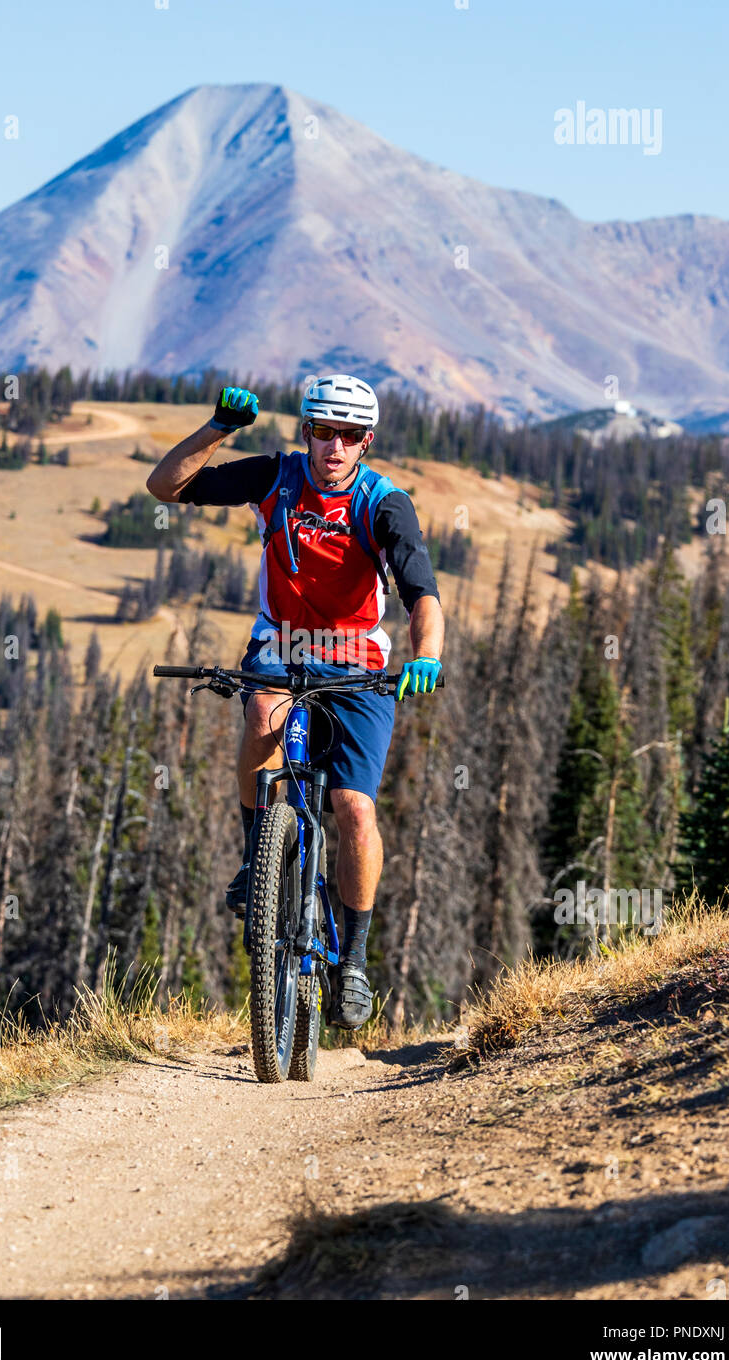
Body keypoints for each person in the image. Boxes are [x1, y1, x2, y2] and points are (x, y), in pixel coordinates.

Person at [147, 375, 444, 1029]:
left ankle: (355, 961)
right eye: (321, 431)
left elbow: (420, 589)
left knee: (353, 809)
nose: (332, 447)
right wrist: (218, 427)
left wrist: (424, 655)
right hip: (280, 645)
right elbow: (164, 488)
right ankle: (260, 853)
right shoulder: (275, 478)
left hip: (358, 660)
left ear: (366, 441)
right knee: (262, 713)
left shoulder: (382, 502)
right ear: (305, 431)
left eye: (347, 436)